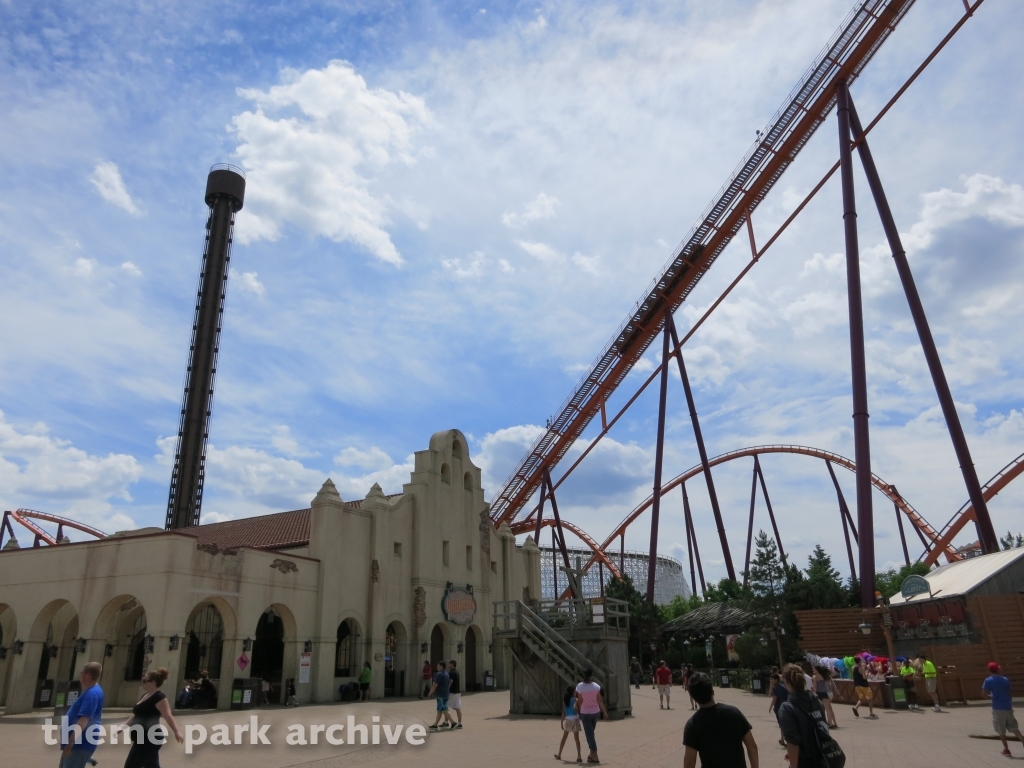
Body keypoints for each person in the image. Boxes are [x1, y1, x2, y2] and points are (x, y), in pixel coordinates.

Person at [682, 672, 759, 768]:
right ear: (712, 692)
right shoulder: (733, 712)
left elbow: (689, 762)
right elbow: (752, 746)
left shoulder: (692, 724)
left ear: (693, 697)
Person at [115, 667, 184, 768]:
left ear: (153, 682)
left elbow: (168, 715)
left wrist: (177, 732)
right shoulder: (145, 695)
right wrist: (124, 726)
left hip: (151, 738)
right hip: (140, 738)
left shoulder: (160, 697)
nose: (142, 682)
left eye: (145, 680)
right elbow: (137, 714)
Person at [778, 663, 830, 768]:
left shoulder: (787, 707)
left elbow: (793, 741)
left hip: (804, 761)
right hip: (822, 758)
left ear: (787, 682)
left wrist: (793, 763)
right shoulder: (816, 700)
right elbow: (822, 727)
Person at [60, 662, 105, 768]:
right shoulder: (91, 691)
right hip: (78, 744)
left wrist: (71, 743)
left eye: (82, 672)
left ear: (88, 675)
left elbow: (83, 721)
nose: (80, 675)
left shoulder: (92, 694)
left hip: (80, 744)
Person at [983, 661, 1023, 757]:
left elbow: (983, 694)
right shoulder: (1005, 680)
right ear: (997, 669)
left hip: (997, 707)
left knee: (1001, 729)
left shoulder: (988, 680)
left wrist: (992, 697)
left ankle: (1006, 749)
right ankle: (1022, 739)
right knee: (1013, 727)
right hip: (1007, 706)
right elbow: (1009, 693)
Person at [575, 668, 608, 764]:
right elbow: (600, 701)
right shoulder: (596, 686)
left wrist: (579, 711)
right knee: (591, 733)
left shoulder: (580, 686)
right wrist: (604, 712)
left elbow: (580, 701)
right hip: (595, 712)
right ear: (591, 676)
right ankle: (591, 754)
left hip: (585, 712)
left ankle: (595, 754)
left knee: (589, 734)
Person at [555, 684, 582, 763]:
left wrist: (561, 722)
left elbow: (564, 712)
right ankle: (579, 756)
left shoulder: (565, 701)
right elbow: (576, 708)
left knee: (564, 738)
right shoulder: (575, 699)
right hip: (575, 719)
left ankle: (559, 754)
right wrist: (580, 713)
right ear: (573, 692)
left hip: (568, 720)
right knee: (577, 739)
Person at [428, 661, 455, 731]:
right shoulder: (446, 673)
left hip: (441, 695)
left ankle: (453, 723)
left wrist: (430, 693)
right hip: (445, 693)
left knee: (443, 710)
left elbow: (435, 685)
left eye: (438, 665)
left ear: (441, 666)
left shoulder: (439, 674)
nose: (437, 667)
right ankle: (435, 725)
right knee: (439, 710)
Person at [767, 672, 788, 748]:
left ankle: (786, 738)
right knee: (783, 724)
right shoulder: (783, 687)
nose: (771, 681)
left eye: (772, 679)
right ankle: (782, 739)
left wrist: (770, 707)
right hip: (785, 707)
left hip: (778, 708)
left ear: (776, 680)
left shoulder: (774, 688)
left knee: (782, 724)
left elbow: (774, 698)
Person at [447, 659, 463, 728]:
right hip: (457, 692)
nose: (448, 665)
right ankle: (459, 723)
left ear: (452, 664)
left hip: (452, 692)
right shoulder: (457, 672)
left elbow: (450, 682)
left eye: (449, 664)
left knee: (445, 707)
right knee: (457, 708)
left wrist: (447, 689)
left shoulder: (451, 672)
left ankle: (446, 722)